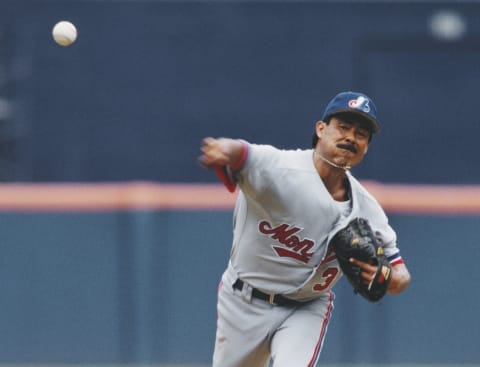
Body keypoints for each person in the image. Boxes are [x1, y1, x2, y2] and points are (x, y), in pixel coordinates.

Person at [199, 91, 411, 367]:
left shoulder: (367, 209)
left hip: (307, 307)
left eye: (361, 134)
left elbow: (401, 274)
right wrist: (223, 149)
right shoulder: (281, 169)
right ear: (320, 129)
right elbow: (242, 152)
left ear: (367, 147)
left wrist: (389, 277)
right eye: (343, 127)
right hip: (243, 301)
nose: (350, 138)